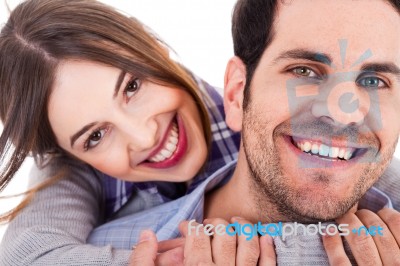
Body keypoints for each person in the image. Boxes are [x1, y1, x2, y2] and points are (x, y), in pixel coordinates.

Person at [86, 0, 400, 264]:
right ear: (237, 93)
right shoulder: (106, 248)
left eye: (374, 81)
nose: (342, 114)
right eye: (305, 71)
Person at [0, 0, 240, 265]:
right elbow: (24, 256)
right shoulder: (79, 170)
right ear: (67, 154)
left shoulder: (271, 109)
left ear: (153, 45)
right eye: (95, 136)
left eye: (132, 86)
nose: (145, 137)